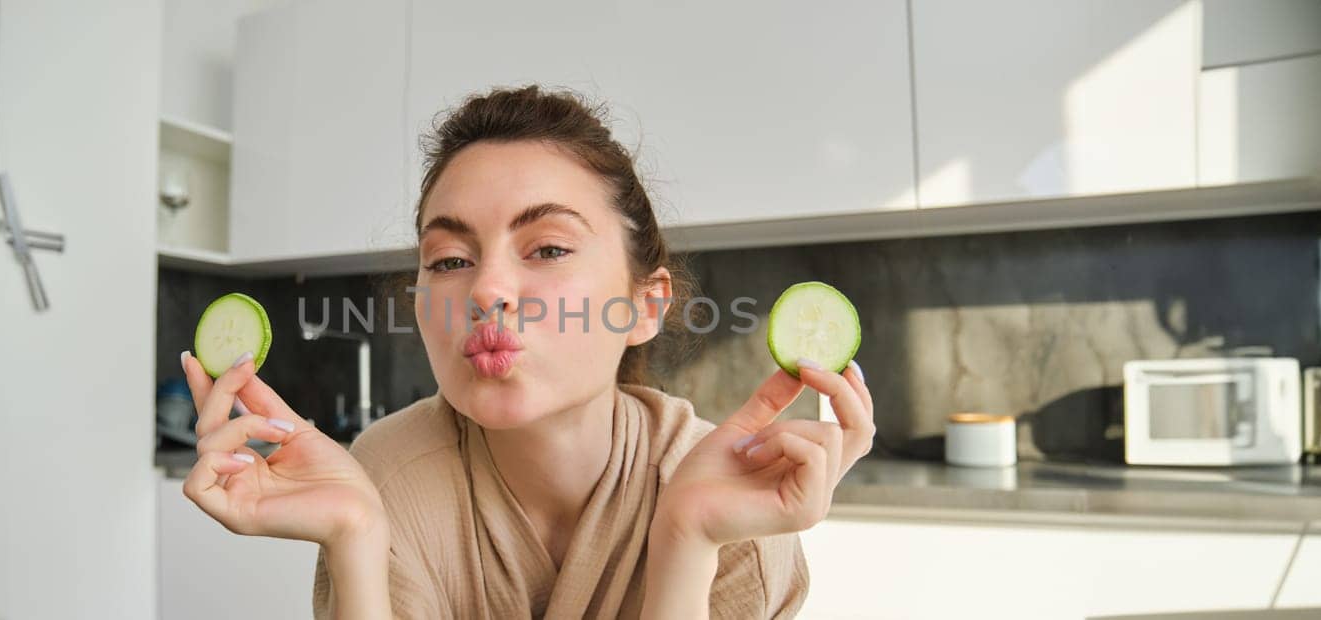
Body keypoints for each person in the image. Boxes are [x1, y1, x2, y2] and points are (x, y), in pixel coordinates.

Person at [179, 85, 875, 619]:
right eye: (449, 260)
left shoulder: (729, 501)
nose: (488, 290)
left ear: (643, 305)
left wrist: (688, 538)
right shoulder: (385, 480)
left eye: (547, 248)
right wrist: (355, 538)